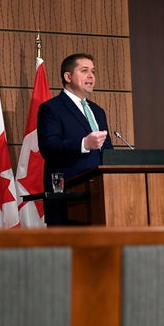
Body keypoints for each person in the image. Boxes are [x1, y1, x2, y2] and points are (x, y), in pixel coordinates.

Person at [38, 53, 113, 225]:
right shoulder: (52, 108)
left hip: (101, 199)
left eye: (93, 72)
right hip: (69, 200)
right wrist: (83, 144)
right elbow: (48, 148)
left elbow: (106, 152)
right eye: (84, 71)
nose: (91, 76)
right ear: (68, 76)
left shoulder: (98, 111)